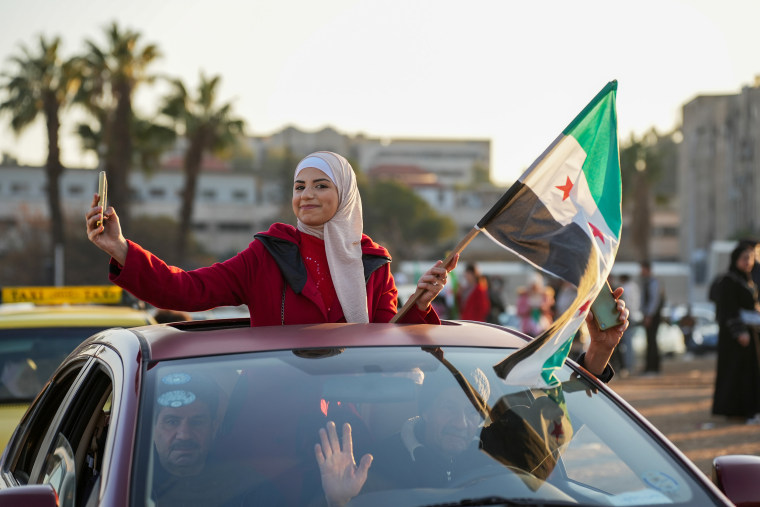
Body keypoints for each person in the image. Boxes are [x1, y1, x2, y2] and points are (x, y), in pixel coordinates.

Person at [313, 297, 630, 507]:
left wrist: (600, 351)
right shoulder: (377, 461)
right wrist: (339, 500)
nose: (461, 424)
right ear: (425, 410)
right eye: (449, 409)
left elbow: (566, 411)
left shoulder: (501, 452)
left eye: (472, 412)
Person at [86, 151, 456, 325]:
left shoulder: (373, 263)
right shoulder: (266, 254)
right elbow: (187, 290)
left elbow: (389, 347)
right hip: (277, 418)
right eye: (299, 186)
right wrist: (120, 248)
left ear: (345, 195)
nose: (306, 195)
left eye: (321, 185)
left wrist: (419, 305)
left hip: (354, 419)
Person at [151, 371, 282, 505]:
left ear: (214, 428)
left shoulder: (251, 491)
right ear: (153, 428)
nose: (184, 435)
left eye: (197, 422)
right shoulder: (132, 481)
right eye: (172, 422)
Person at [711, 242, 760, 425]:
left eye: (751, 258)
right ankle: (738, 411)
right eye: (745, 258)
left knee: (751, 372)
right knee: (737, 373)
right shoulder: (728, 280)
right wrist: (739, 332)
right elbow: (728, 309)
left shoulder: (748, 279)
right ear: (736, 259)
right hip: (735, 338)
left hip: (751, 333)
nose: (748, 262)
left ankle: (751, 409)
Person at [640, 261, 664, 374]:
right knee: (650, 340)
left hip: (652, 316)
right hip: (649, 315)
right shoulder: (647, 282)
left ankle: (653, 367)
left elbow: (654, 301)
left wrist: (649, 315)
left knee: (652, 341)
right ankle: (651, 366)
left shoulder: (653, 283)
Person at [618, 274, 641, 374]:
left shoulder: (626, 288)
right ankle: (630, 365)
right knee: (629, 343)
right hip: (634, 315)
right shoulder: (635, 287)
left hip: (628, 315)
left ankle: (628, 365)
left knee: (627, 343)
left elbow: (627, 303)